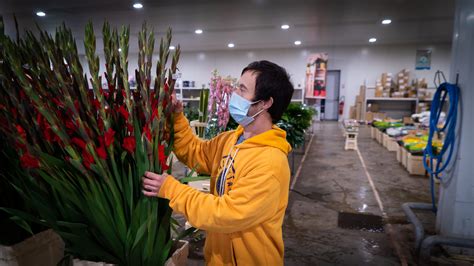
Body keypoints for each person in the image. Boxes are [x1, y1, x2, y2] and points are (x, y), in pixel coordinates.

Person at [142, 60, 294, 265]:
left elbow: (227, 214)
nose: (234, 94)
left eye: (242, 89)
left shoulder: (270, 163)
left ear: (266, 102)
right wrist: (177, 118)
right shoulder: (231, 140)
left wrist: (172, 189)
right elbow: (194, 152)